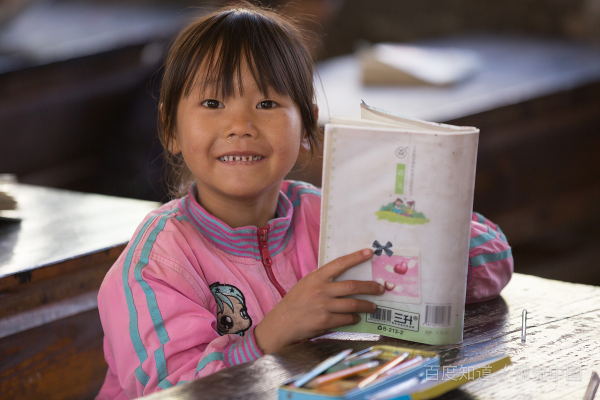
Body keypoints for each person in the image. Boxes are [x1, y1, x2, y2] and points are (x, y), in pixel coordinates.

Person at [95, 3, 513, 398]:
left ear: (307, 127)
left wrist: (417, 217)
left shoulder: (332, 216)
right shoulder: (158, 263)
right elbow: (171, 389)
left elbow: (496, 260)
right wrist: (268, 336)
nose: (240, 125)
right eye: (212, 103)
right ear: (170, 128)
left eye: (267, 103)